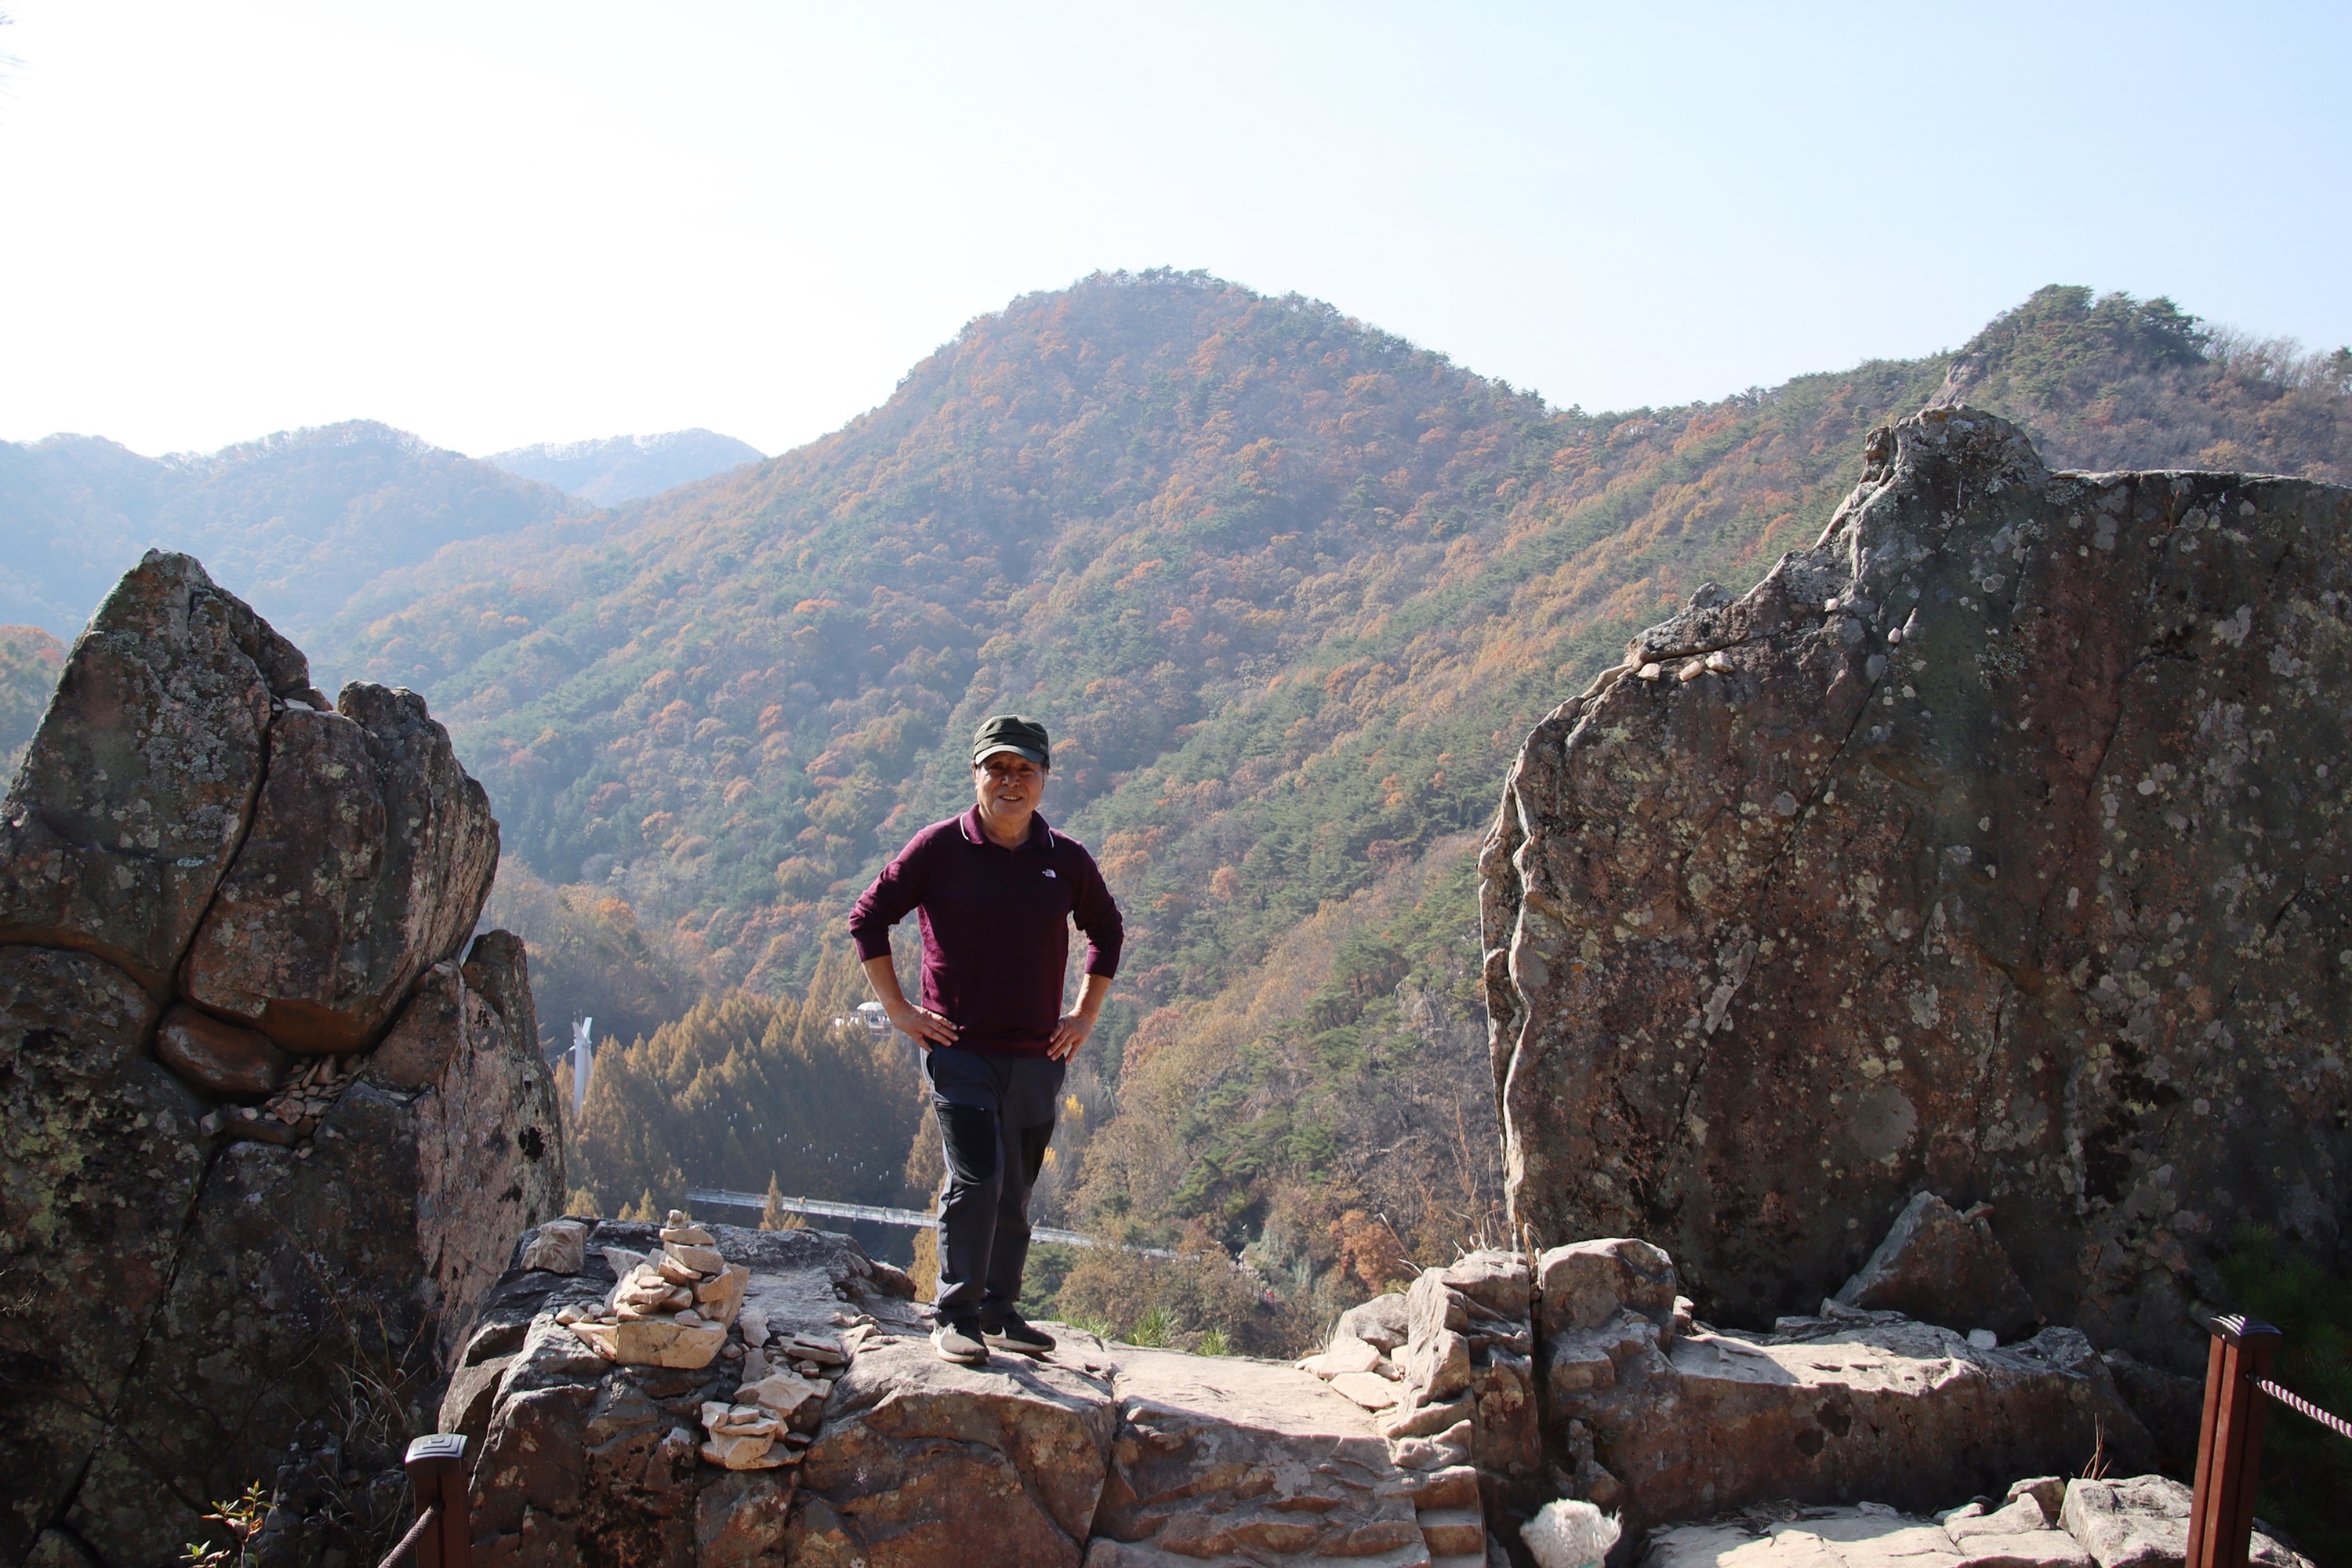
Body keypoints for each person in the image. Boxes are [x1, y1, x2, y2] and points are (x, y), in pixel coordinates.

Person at [848, 713, 1123, 1365]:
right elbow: (868, 918)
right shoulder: (939, 847)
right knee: (977, 1178)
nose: (1010, 781)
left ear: (1044, 778)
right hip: (960, 1049)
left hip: (1037, 1054)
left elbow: (1107, 931)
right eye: (997, 768)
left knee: (1016, 1188)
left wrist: (1084, 1015)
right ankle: (956, 1315)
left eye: (1024, 769)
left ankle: (999, 1312)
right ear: (974, 774)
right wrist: (899, 1010)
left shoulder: (1065, 859)